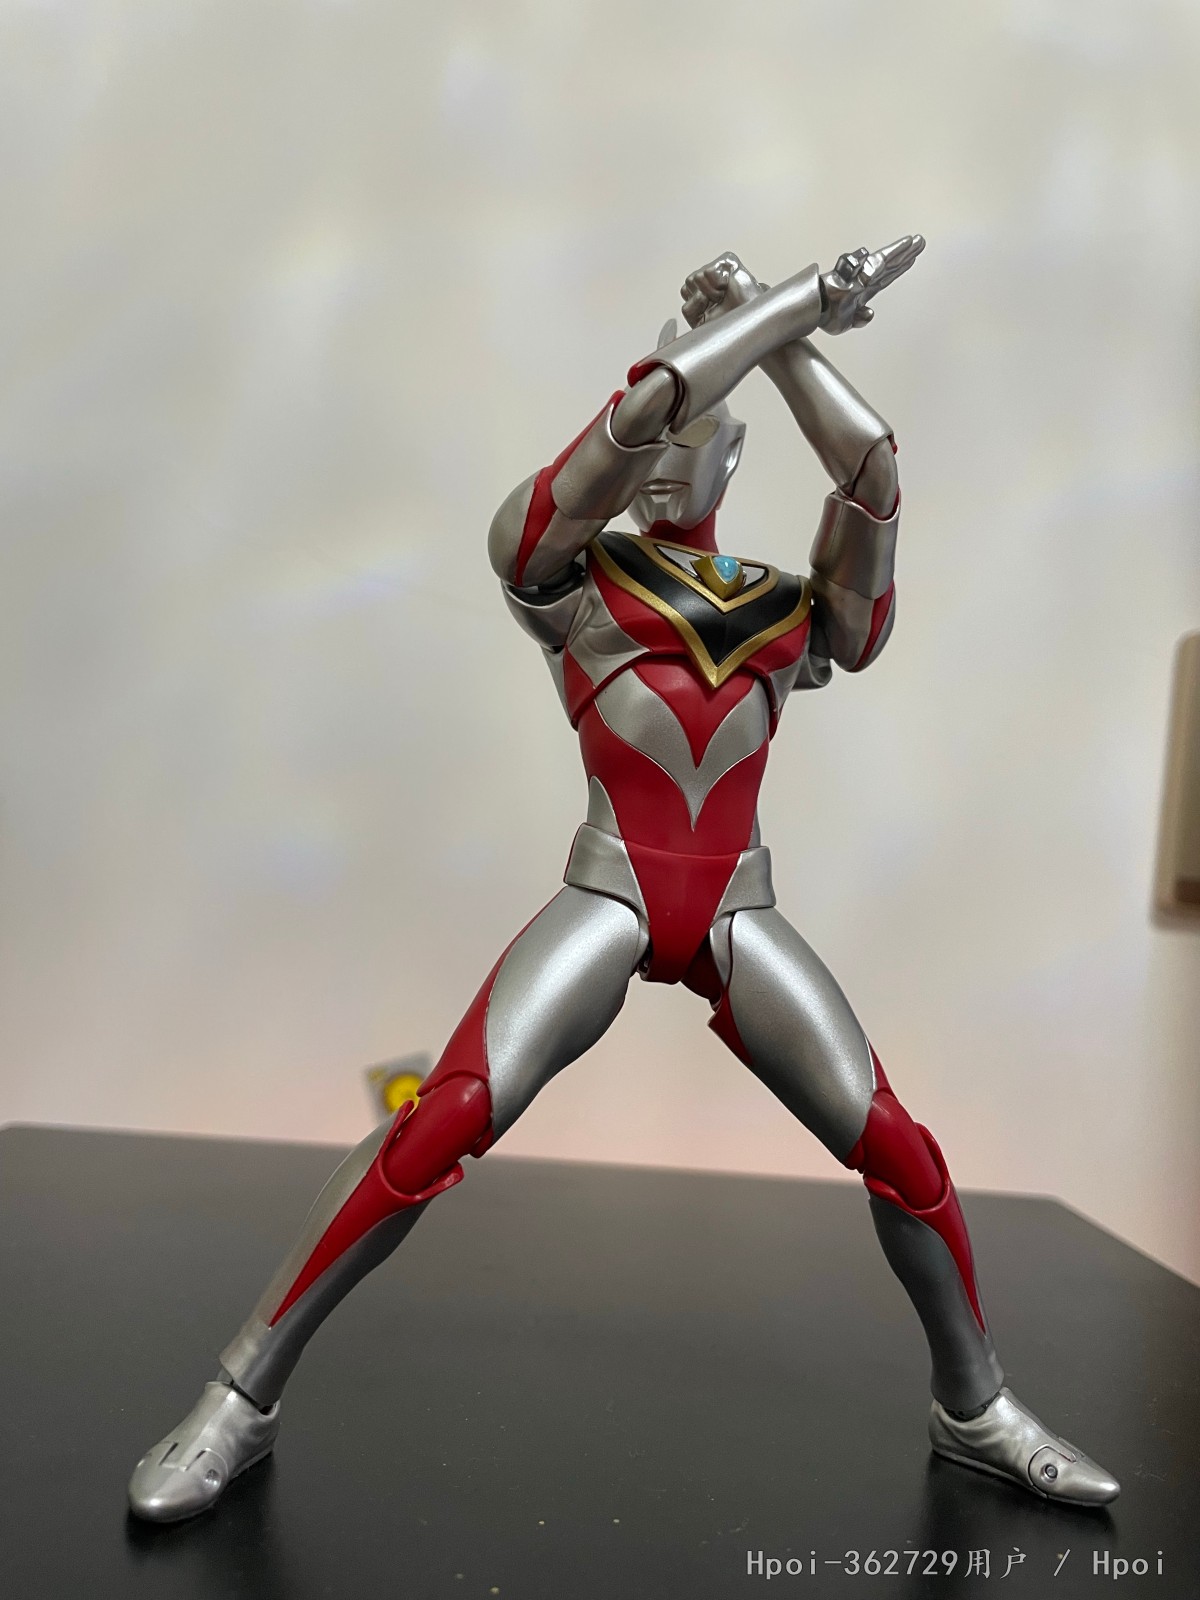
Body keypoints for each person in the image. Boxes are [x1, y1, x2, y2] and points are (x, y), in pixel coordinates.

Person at [129, 237, 1119, 1521]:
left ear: (735, 453)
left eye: (699, 424)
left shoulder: (789, 610)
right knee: (439, 1115)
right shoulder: (573, 580)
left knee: (902, 1151)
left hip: (737, 907)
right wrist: (774, 312)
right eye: (662, 407)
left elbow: (874, 474)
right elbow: (624, 430)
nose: (665, 443)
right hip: (611, 894)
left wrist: (781, 329)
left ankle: (976, 1404)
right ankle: (237, 1396)